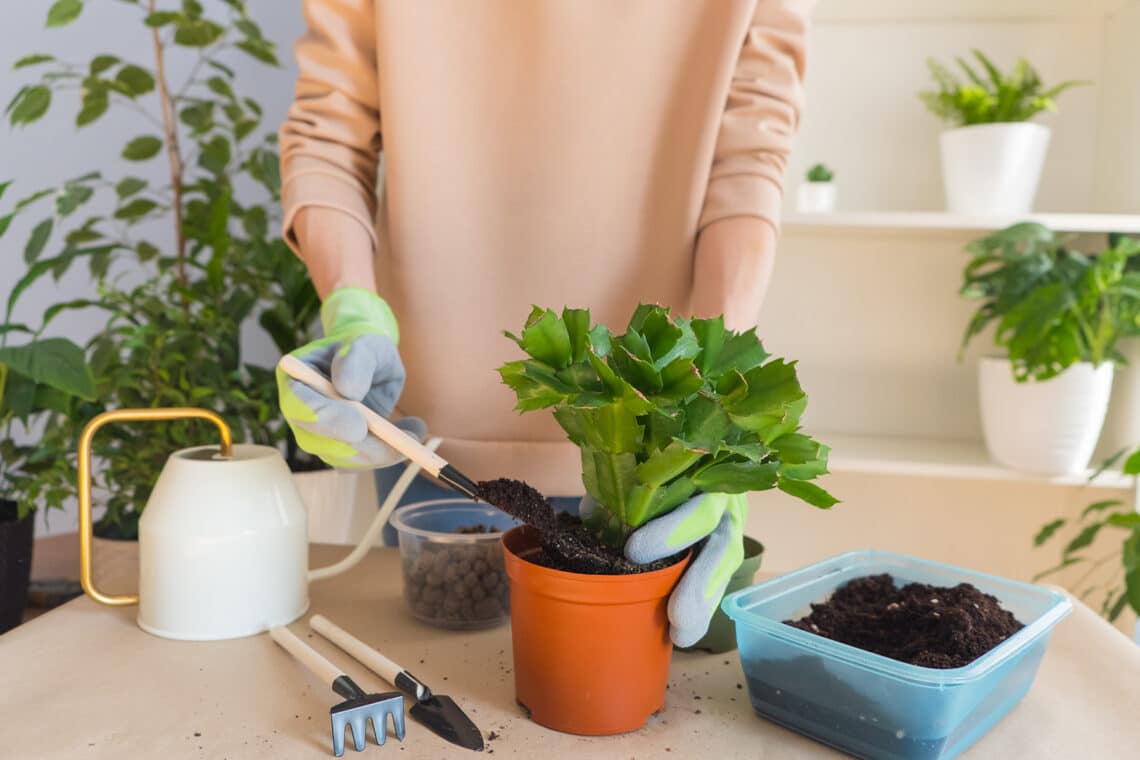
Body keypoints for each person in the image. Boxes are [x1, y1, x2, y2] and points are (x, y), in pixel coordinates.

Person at [276, 0, 810, 646]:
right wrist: (351, 309)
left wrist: (702, 407)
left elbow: (749, 159)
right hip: (428, 434)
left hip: (645, 437)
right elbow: (330, 136)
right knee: (443, 673)